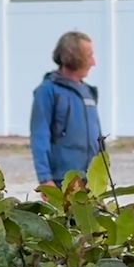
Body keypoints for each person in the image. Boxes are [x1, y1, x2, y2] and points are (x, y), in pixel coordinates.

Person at [29, 31, 102, 189]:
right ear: (73, 57)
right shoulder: (47, 92)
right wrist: (45, 179)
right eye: (89, 56)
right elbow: (39, 137)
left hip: (92, 182)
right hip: (62, 182)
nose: (93, 62)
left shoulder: (88, 92)